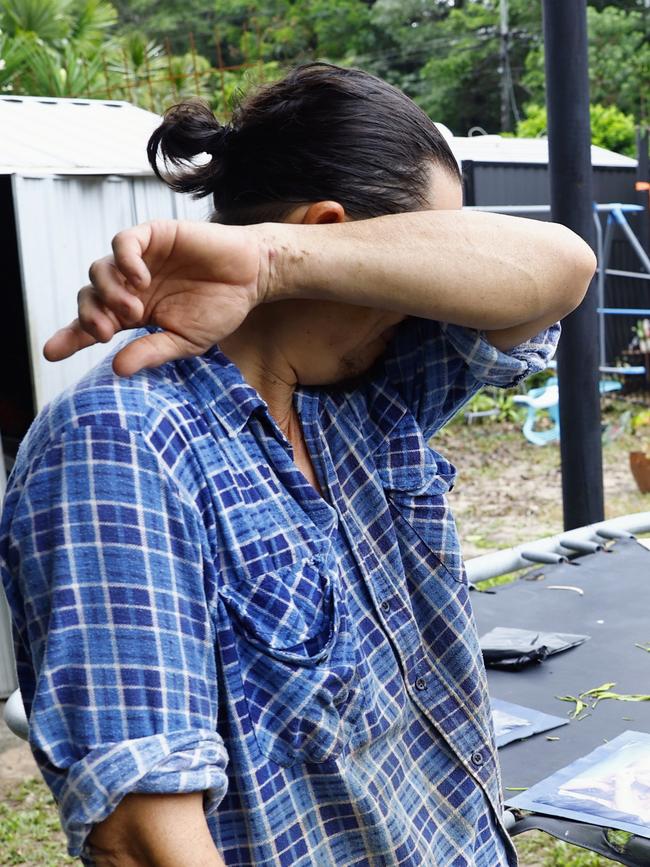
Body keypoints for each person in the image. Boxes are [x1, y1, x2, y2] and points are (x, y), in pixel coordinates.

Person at [0, 63, 595, 867]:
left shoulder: (367, 395)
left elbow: (561, 267)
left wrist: (277, 260)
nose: (433, 299)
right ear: (329, 222)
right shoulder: (124, 441)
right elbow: (143, 838)